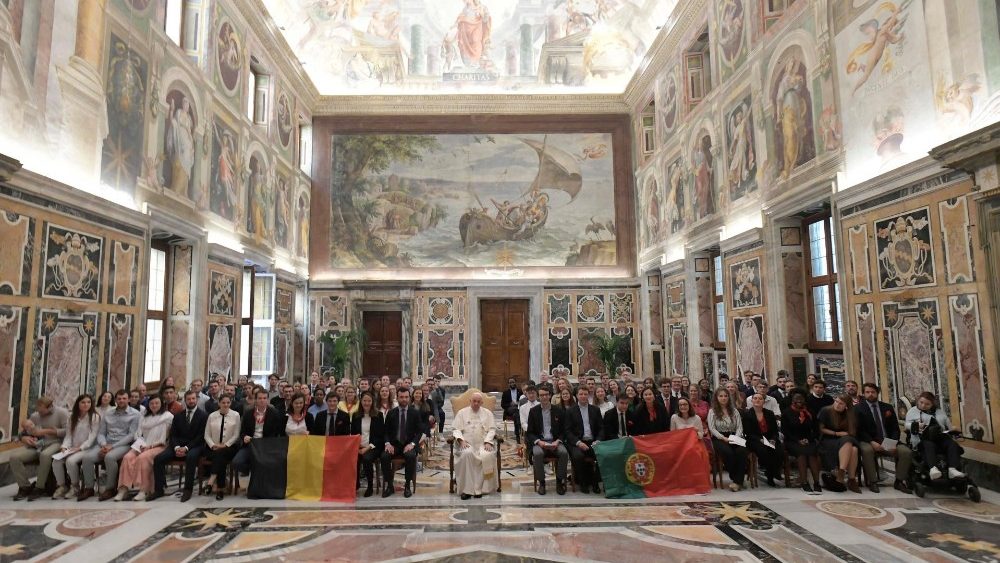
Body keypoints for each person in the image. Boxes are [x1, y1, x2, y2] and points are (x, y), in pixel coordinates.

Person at [82, 390, 140, 501]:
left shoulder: (135, 414)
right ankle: (89, 488)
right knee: (87, 458)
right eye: (119, 398)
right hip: (106, 443)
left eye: (124, 398)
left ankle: (110, 488)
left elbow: (131, 435)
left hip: (123, 444)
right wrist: (104, 444)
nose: (121, 401)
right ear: (116, 400)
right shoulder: (108, 413)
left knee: (110, 457)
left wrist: (112, 447)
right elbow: (101, 433)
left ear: (128, 399)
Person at [115, 395, 173, 501]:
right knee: (127, 457)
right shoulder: (144, 416)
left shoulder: (167, 416)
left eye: (157, 403)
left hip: (159, 446)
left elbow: (167, 437)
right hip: (142, 444)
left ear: (161, 404)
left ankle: (144, 490)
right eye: (151, 403)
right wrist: (140, 444)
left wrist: (150, 446)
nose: (154, 405)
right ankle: (123, 489)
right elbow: (138, 433)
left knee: (143, 458)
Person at [855, 383, 912, 493]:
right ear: (863, 393)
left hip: (888, 440)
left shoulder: (887, 407)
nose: (870, 394)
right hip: (868, 440)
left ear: (877, 393)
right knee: (867, 451)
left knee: (906, 452)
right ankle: (873, 481)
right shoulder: (858, 408)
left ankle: (899, 481)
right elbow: (859, 430)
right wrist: (872, 442)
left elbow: (895, 428)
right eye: (867, 392)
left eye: (873, 392)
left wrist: (892, 442)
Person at [152, 390, 207, 502]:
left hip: (195, 446)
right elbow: (173, 435)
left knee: (191, 457)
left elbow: (201, 437)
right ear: (184, 401)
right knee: (158, 459)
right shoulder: (177, 416)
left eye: (193, 399)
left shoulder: (203, 415)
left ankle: (188, 489)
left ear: (196, 399)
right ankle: (159, 490)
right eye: (188, 399)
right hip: (178, 446)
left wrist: (186, 448)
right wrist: (177, 447)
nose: (191, 401)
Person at [10, 397, 69, 500]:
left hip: (56, 443)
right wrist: (24, 438)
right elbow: (23, 432)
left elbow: (68, 432)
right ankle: (25, 487)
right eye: (38, 410)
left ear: (50, 407)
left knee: (45, 455)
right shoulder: (35, 416)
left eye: (41, 411)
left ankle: (39, 487)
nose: (39, 413)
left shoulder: (62, 413)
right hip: (37, 445)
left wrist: (47, 431)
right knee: (14, 457)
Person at [905, 391, 966, 481]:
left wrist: (954, 429)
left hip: (939, 437)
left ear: (932, 404)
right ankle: (933, 469)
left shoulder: (939, 412)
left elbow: (949, 426)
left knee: (951, 443)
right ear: (918, 401)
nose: (923, 406)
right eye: (921, 402)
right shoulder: (912, 411)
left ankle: (952, 469)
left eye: (927, 404)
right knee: (928, 445)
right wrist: (916, 425)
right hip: (922, 439)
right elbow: (907, 425)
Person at [52, 394, 100, 500]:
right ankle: (62, 486)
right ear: (78, 404)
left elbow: (92, 437)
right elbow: (68, 435)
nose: (86, 404)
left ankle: (75, 487)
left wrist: (80, 448)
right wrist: (64, 446)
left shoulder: (94, 417)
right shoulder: (72, 417)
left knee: (70, 461)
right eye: (83, 402)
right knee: (56, 461)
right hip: (73, 448)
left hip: (88, 448)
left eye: (88, 402)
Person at [452, 392, 498, 499]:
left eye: (478, 402)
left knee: (487, 455)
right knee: (466, 454)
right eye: (474, 401)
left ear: (482, 402)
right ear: (470, 401)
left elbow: (492, 429)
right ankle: (466, 490)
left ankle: (482, 489)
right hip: (467, 444)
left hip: (483, 444)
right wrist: (461, 440)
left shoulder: (488, 413)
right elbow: (456, 429)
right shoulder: (461, 413)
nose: (476, 404)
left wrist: (488, 441)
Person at [526, 387, 568, 495]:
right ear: (539, 397)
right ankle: (542, 482)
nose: (544, 397)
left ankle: (559, 481)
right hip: (540, 442)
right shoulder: (533, 411)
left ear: (550, 395)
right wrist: (538, 442)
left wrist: (558, 441)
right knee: (537, 453)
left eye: (546, 395)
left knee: (563, 453)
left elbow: (564, 431)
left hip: (554, 441)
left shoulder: (558, 410)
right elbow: (529, 432)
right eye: (541, 395)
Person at [234, 389, 284, 479]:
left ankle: (259, 481)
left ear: (268, 400)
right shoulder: (248, 413)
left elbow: (276, 433)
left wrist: (265, 442)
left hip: (266, 445)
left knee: (266, 463)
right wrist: (245, 436)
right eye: (260, 398)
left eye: (264, 398)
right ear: (255, 400)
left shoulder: (274, 413)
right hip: (250, 444)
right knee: (237, 462)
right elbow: (242, 432)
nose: (262, 400)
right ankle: (250, 470)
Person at [380, 387, 421, 498]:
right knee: (384, 456)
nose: (404, 399)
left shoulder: (415, 413)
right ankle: (389, 485)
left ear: (409, 398)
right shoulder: (391, 413)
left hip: (409, 444)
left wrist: (412, 444)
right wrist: (387, 443)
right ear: (397, 398)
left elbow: (419, 432)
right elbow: (386, 431)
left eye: (406, 397)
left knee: (410, 456)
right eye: (401, 397)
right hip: (395, 445)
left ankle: (407, 485)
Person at [818, 394, 861, 493]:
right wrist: (836, 433)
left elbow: (852, 432)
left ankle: (847, 476)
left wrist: (843, 435)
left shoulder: (851, 414)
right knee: (851, 446)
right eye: (836, 401)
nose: (837, 405)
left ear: (846, 406)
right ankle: (848, 477)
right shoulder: (826, 410)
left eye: (841, 403)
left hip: (846, 439)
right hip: (828, 439)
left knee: (853, 447)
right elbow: (821, 429)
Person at [707, 388, 748, 492]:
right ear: (716, 398)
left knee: (742, 451)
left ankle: (737, 482)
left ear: (729, 397)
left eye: (725, 396)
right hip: (719, 437)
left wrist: (736, 437)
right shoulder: (712, 411)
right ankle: (737, 479)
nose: (723, 398)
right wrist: (723, 438)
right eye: (721, 396)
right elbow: (712, 428)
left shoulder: (734, 410)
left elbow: (740, 427)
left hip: (735, 436)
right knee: (728, 452)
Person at [566, 387, 603, 494]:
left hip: (593, 441)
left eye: (585, 394)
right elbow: (567, 431)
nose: (583, 396)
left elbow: (601, 428)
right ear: (577, 396)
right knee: (578, 456)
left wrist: (598, 440)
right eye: (581, 394)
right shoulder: (570, 411)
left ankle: (595, 482)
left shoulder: (595, 410)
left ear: (588, 395)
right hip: (577, 442)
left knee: (602, 454)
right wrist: (578, 443)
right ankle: (583, 483)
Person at [782, 391, 822, 493]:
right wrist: (798, 440)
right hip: (792, 440)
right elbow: (785, 431)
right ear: (793, 401)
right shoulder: (787, 412)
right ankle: (804, 482)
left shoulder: (809, 412)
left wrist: (809, 439)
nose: (799, 402)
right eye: (797, 400)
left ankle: (816, 482)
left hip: (809, 439)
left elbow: (816, 429)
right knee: (802, 454)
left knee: (812, 453)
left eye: (801, 400)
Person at [744, 393, 784, 487]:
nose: (757, 400)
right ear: (752, 401)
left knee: (779, 450)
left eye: (760, 399)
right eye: (755, 398)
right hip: (754, 439)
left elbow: (775, 430)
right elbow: (748, 433)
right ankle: (770, 474)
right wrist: (760, 440)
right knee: (764, 450)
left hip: (769, 437)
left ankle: (775, 471)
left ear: (764, 401)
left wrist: (773, 439)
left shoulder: (769, 413)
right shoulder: (747, 414)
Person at [204, 395, 240, 500]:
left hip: (230, 448)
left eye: (228, 402)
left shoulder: (236, 415)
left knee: (222, 453)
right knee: (220, 458)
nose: (225, 405)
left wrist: (225, 445)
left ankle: (211, 481)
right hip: (213, 448)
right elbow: (206, 434)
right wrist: (213, 445)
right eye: (223, 402)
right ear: (219, 403)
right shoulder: (212, 416)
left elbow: (236, 435)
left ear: (230, 403)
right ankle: (220, 489)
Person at [351, 391, 383, 497]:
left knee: (367, 458)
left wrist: (367, 448)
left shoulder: (378, 415)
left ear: (372, 402)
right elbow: (353, 434)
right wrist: (358, 447)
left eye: (369, 401)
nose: (367, 403)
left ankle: (370, 486)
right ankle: (355, 484)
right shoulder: (356, 415)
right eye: (364, 400)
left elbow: (380, 436)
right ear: (361, 401)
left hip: (373, 446)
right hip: (358, 446)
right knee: (353, 458)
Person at [501, 377, 522, 442]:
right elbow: (502, 405)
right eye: (510, 383)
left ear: (515, 383)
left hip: (518, 409)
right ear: (508, 384)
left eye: (513, 382)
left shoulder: (520, 392)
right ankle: (519, 433)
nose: (512, 384)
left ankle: (517, 434)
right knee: (516, 411)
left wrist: (518, 403)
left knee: (516, 414)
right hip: (509, 410)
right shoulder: (505, 393)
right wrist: (510, 404)